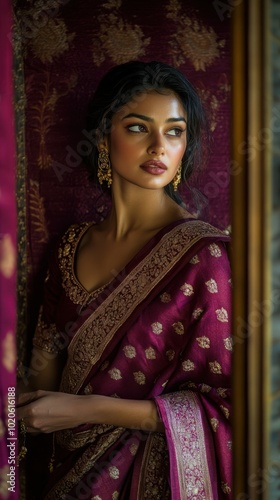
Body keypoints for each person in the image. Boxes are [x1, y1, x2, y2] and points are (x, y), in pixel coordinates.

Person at [17, 61, 232, 499]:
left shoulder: (205, 255)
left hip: (152, 481)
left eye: (175, 131)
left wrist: (91, 409)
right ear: (102, 136)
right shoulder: (70, 246)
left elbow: (232, 407)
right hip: (65, 478)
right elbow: (41, 380)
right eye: (138, 128)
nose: (159, 146)